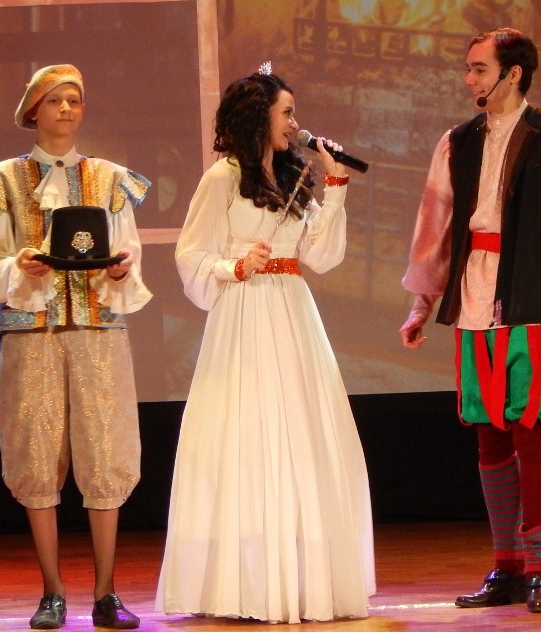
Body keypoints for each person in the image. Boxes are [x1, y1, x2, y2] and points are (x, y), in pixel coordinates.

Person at [400, 28, 541, 614]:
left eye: (479, 68)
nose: (468, 78)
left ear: (513, 73)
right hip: (475, 298)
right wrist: (423, 301)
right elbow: (436, 225)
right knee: (488, 431)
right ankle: (507, 566)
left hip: (530, 299)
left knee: (530, 426)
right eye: (468, 68)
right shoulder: (457, 142)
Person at [155, 65, 376, 624]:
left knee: (302, 432)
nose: (294, 124)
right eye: (286, 113)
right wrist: (234, 264)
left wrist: (336, 186)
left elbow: (321, 255)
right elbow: (189, 254)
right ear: (259, 117)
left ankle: (301, 579)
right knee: (246, 436)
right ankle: (244, 583)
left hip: (292, 312)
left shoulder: (292, 176)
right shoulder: (222, 178)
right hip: (245, 314)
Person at [0, 64, 151, 630]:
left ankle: (106, 592)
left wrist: (119, 271)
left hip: (98, 331)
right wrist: (18, 266)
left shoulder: (109, 178)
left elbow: (128, 250)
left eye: (74, 99)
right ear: (34, 111)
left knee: (106, 452)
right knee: (35, 454)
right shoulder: (4, 181)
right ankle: (52, 591)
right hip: (32, 332)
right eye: (55, 100)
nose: (67, 109)